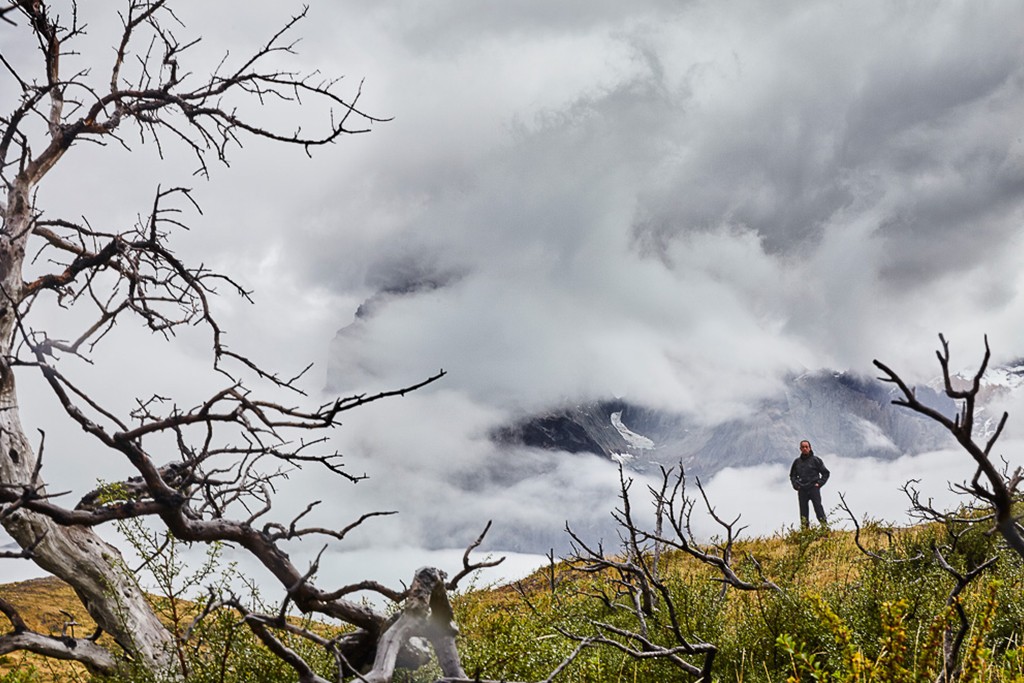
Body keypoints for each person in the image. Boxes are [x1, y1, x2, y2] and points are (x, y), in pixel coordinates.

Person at [789, 439, 830, 528]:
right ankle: (805, 532)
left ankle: (825, 528)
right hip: (802, 490)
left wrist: (819, 484)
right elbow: (792, 475)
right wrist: (795, 485)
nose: (804, 449)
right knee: (803, 511)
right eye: (803, 447)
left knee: (818, 509)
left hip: (813, 488)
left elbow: (826, 473)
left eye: (806, 447)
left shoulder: (816, 460)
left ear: (810, 448)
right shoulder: (797, 462)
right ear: (800, 449)